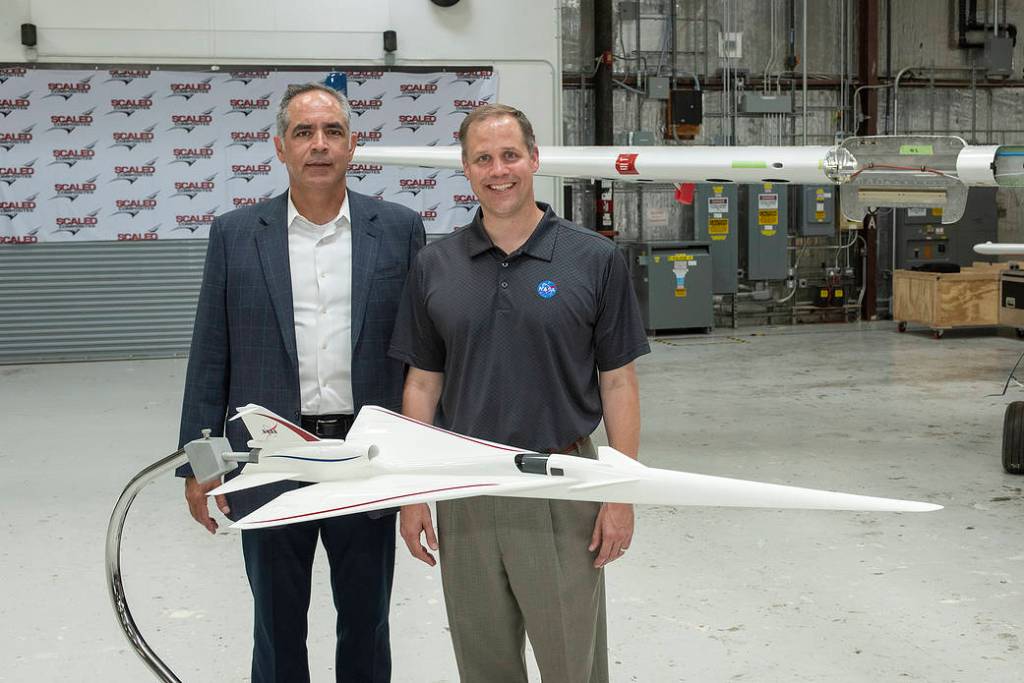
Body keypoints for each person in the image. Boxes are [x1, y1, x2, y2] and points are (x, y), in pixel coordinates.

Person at [389, 104, 650, 683]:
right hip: (466, 483)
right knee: (483, 662)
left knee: (570, 659)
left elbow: (618, 382)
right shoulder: (435, 265)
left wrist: (620, 492)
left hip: (561, 481)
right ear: (465, 168)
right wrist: (412, 494)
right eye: (483, 158)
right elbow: (422, 384)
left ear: (534, 159)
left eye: (510, 155)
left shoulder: (594, 259)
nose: (498, 169)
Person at [176, 82, 425, 683]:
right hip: (266, 457)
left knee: (366, 623)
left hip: (363, 457)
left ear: (352, 145)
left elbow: (422, 357)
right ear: (280, 147)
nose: (319, 145)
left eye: (332, 132)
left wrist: (420, 464)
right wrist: (200, 464)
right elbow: (212, 354)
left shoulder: (398, 229)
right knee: (276, 623)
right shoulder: (236, 234)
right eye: (304, 133)